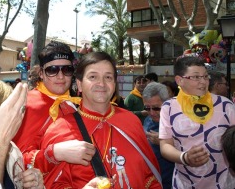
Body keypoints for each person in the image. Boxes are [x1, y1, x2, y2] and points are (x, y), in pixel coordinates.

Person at [41, 51, 162, 188]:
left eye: (108, 77)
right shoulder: (60, 130)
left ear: (114, 84)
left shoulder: (131, 121)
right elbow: (52, 183)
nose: (101, 84)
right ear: (79, 85)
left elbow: (149, 176)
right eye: (93, 77)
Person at [13, 41, 95, 173]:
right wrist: (55, 153)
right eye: (52, 70)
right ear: (41, 73)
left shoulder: (75, 103)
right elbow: (16, 161)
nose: (61, 76)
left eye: (67, 69)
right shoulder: (28, 105)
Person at [159, 56, 235, 188]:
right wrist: (185, 157)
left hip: (223, 182)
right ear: (179, 80)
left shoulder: (225, 105)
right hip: (185, 183)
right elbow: (165, 145)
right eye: (196, 77)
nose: (203, 82)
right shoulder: (169, 107)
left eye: (205, 76)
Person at [142, 82, 174, 189]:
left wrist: (164, 142)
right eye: (147, 108)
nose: (151, 113)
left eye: (156, 108)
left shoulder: (178, 122)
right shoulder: (147, 120)